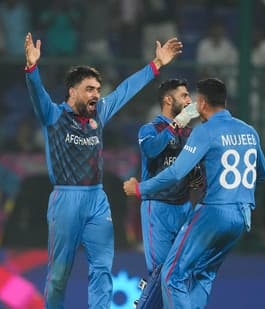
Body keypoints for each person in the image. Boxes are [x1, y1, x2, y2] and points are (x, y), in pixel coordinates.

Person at [24, 32, 182, 308]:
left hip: (97, 200)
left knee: (102, 269)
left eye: (97, 89)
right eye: (90, 89)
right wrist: (32, 69)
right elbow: (38, 95)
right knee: (59, 275)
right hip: (65, 200)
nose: (96, 94)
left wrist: (155, 64)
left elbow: (125, 90)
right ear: (72, 92)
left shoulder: (99, 112)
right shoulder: (54, 115)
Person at [124, 78, 265, 309]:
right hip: (232, 216)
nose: (189, 101)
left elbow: (181, 173)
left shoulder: (199, 132)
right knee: (187, 273)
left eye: (192, 97)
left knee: (173, 275)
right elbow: (262, 173)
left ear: (202, 103)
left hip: (200, 211)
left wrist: (140, 188)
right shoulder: (249, 131)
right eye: (184, 96)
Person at [135, 78, 202, 308]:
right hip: (158, 208)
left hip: (184, 208)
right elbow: (152, 150)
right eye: (184, 96)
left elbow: (194, 173)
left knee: (181, 271)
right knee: (160, 272)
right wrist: (175, 125)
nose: (188, 101)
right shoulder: (149, 130)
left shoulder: (190, 133)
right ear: (168, 99)